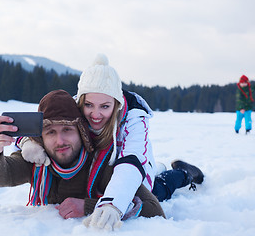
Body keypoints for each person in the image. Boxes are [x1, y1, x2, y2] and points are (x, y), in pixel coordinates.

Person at [18, 54, 205, 226]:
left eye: (105, 106)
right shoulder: (75, 109)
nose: (96, 114)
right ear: (81, 101)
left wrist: (112, 204)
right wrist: (28, 141)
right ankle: (160, 167)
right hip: (101, 175)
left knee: (156, 190)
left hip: (133, 169)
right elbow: (45, 125)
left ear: (116, 104)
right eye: (89, 105)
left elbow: (130, 163)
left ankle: (183, 173)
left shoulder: (134, 120)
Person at [0, 89, 165, 231]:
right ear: (41, 137)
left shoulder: (105, 164)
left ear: (82, 133)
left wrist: (89, 206)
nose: (60, 141)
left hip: (138, 173)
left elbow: (153, 208)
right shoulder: (37, 158)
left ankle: (181, 174)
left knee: (160, 189)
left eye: (67, 130)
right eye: (51, 132)